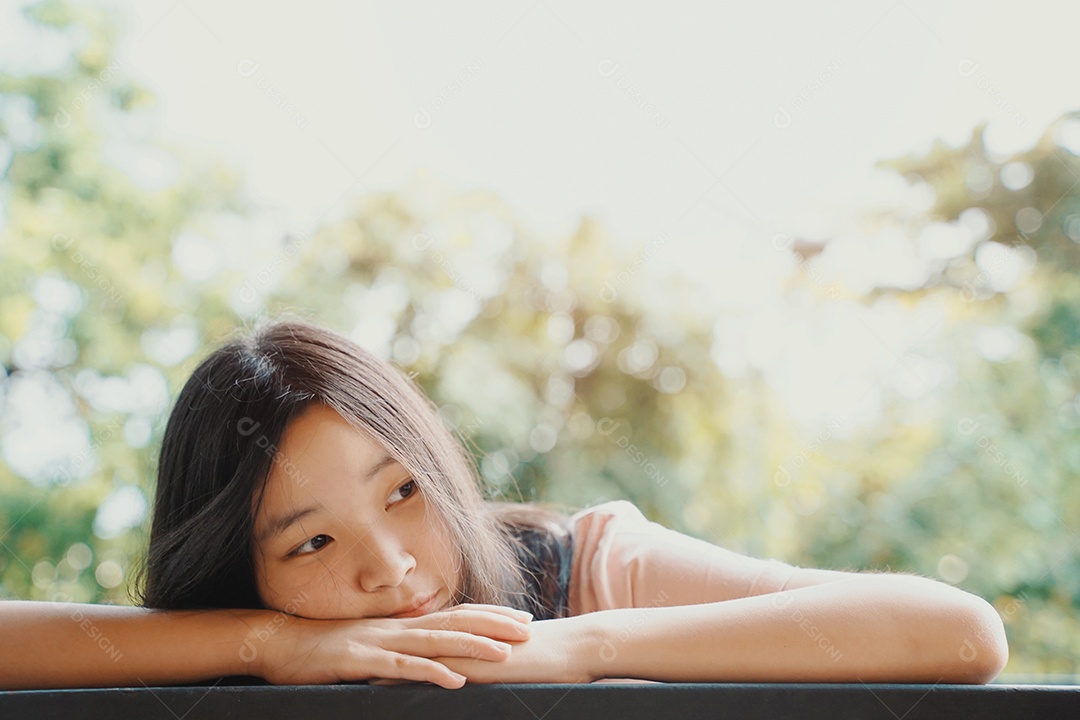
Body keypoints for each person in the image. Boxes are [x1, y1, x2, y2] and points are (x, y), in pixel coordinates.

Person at [0, 320, 1008, 690]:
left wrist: (577, 647)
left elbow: (958, 632)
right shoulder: (231, 646)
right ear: (242, 569)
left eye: (404, 492)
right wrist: (262, 646)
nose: (390, 568)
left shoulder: (571, 566)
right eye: (310, 542)